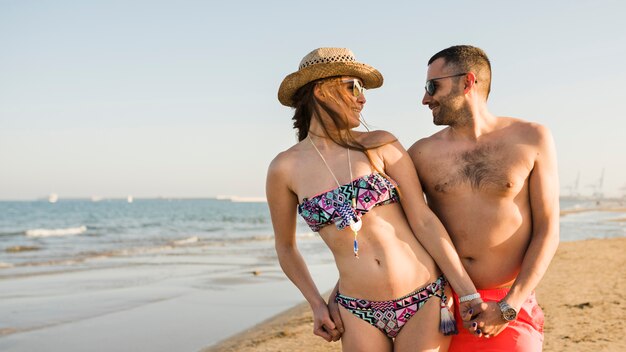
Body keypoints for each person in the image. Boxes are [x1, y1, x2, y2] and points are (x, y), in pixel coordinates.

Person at [267, 47, 484, 351]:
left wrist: (467, 292)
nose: (362, 98)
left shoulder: (380, 144)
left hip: (424, 297)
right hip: (357, 311)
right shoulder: (284, 169)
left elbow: (423, 219)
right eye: (353, 87)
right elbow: (286, 247)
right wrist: (316, 304)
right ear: (321, 91)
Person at [406, 45, 560, 351]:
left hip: (509, 303)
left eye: (432, 86)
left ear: (467, 82)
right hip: (443, 305)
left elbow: (548, 229)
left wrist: (509, 306)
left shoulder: (532, 138)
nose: (425, 98)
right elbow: (407, 226)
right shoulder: (420, 154)